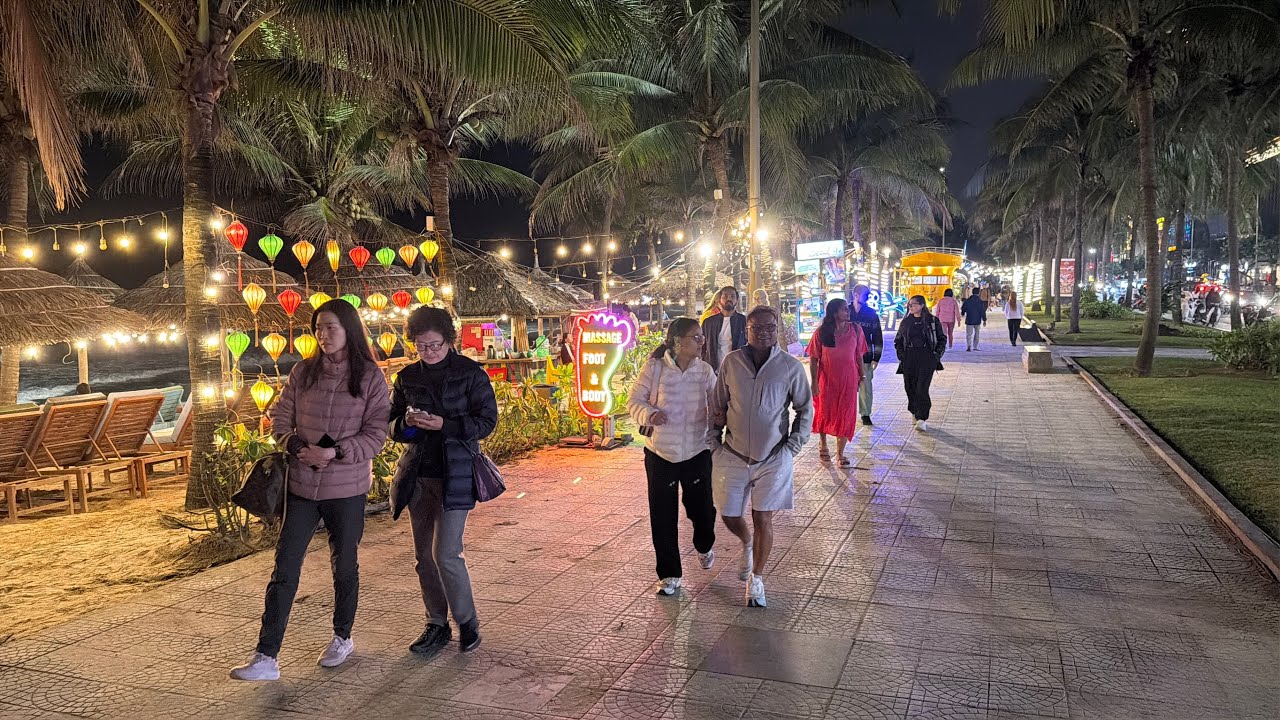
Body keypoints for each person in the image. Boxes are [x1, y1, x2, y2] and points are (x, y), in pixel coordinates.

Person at [231, 299, 391, 681]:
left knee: (344, 565)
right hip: (301, 486)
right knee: (284, 568)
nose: (323, 335)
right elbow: (280, 418)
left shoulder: (369, 377)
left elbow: (376, 435)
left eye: (331, 327)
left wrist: (334, 452)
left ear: (349, 329)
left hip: (347, 488)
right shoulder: (303, 372)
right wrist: (297, 448)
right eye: (318, 328)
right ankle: (266, 656)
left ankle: (342, 636)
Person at [390, 306, 499, 658]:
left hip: (457, 472)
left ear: (449, 341)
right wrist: (407, 423)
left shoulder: (471, 374)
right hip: (419, 474)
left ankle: (467, 622)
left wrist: (445, 425)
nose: (428, 352)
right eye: (421, 346)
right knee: (423, 556)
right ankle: (436, 623)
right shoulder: (407, 377)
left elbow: (486, 422)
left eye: (434, 345)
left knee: (446, 552)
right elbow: (392, 426)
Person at [711, 306, 813, 608]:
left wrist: (793, 447)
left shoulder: (790, 367)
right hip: (733, 451)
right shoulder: (731, 363)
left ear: (777, 327)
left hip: (773, 456)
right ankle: (746, 542)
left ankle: (756, 580)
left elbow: (805, 409)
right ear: (747, 330)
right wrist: (712, 443)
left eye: (770, 326)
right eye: (757, 327)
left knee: (763, 516)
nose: (764, 332)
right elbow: (718, 404)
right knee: (728, 513)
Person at [627, 318, 718, 596]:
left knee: (703, 511)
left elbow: (717, 402)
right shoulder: (654, 369)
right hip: (660, 453)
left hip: (696, 451)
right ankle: (669, 574)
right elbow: (634, 401)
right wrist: (650, 415)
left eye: (702, 338)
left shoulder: (704, 371)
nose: (702, 342)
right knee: (663, 515)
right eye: (696, 337)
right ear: (678, 342)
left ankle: (704, 545)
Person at [806, 298, 868, 468]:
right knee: (824, 411)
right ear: (834, 313)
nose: (848, 312)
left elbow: (859, 356)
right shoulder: (822, 332)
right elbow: (813, 359)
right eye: (843, 310)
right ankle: (823, 444)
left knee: (846, 413)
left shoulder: (855, 330)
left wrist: (862, 377)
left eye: (847, 310)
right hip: (826, 379)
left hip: (848, 379)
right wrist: (814, 383)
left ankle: (840, 453)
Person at [895, 295, 947, 432]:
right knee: (909, 387)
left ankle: (922, 417)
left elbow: (942, 339)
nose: (910, 307)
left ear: (922, 305)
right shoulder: (906, 322)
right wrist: (901, 356)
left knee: (922, 388)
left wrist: (936, 355)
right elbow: (898, 340)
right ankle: (914, 410)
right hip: (909, 357)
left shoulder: (932, 321)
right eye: (909, 304)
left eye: (914, 304)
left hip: (926, 357)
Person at [850, 285, 883, 426]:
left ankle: (865, 413)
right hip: (846, 357)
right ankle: (848, 412)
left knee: (865, 386)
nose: (868, 298)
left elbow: (877, 336)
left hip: (865, 355)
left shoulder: (871, 313)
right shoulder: (844, 312)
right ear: (856, 295)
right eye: (865, 295)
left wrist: (876, 357)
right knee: (847, 387)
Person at [701, 286, 747, 368]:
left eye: (732, 296)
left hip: (737, 368)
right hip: (713, 370)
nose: (729, 299)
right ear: (719, 299)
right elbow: (702, 346)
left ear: (737, 300)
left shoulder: (744, 321)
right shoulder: (709, 323)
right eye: (725, 296)